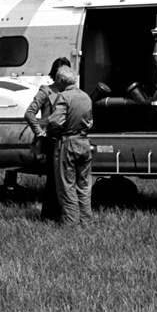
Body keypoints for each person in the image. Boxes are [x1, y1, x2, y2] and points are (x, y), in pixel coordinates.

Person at [46, 66, 94, 226]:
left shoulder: (63, 97)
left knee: (67, 186)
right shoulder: (86, 97)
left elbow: (55, 122)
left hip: (68, 143)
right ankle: (86, 221)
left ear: (61, 81)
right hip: (84, 142)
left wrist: (49, 131)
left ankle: (71, 224)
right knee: (84, 185)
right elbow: (90, 121)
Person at [25, 57, 71, 220]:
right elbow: (29, 113)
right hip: (51, 140)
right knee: (54, 178)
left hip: (66, 139)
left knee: (64, 178)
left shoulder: (69, 93)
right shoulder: (46, 91)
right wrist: (39, 132)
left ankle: (61, 213)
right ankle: (50, 215)